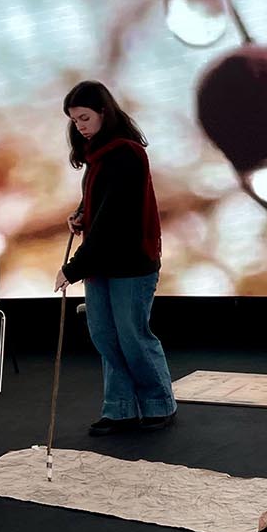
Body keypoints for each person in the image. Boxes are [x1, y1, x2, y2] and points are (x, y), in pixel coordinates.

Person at [55, 81, 176, 436]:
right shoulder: (98, 155)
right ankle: (120, 409)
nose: (79, 126)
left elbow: (112, 218)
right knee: (105, 335)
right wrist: (80, 214)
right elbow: (98, 202)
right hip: (101, 264)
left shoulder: (126, 154)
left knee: (132, 335)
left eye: (84, 118)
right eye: (75, 121)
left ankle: (158, 403)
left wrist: (72, 268)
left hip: (130, 263)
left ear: (104, 113)